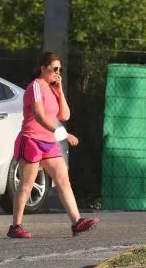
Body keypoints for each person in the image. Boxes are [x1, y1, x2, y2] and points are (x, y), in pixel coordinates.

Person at [7, 51, 99, 239]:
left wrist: (60, 90)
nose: (57, 73)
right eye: (54, 69)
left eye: (60, 70)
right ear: (42, 68)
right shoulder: (35, 87)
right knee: (26, 185)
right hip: (31, 140)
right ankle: (15, 226)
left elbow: (64, 115)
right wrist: (63, 134)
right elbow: (40, 116)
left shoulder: (51, 88)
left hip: (49, 142)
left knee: (63, 180)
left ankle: (77, 222)